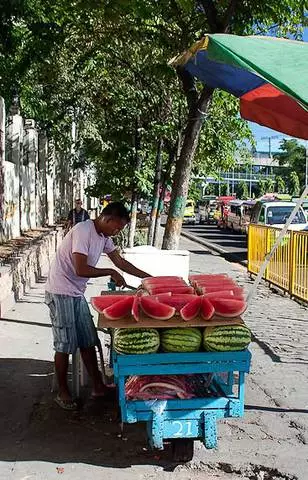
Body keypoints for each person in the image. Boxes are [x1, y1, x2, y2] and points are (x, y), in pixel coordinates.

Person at [45, 202, 151, 410]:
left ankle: (98, 386)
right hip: (60, 291)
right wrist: (109, 273)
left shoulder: (104, 237)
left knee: (87, 341)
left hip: (76, 293)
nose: (117, 231)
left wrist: (150, 280)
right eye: (117, 227)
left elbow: (120, 262)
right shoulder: (83, 230)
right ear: (107, 219)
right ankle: (62, 392)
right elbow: (80, 269)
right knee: (64, 345)